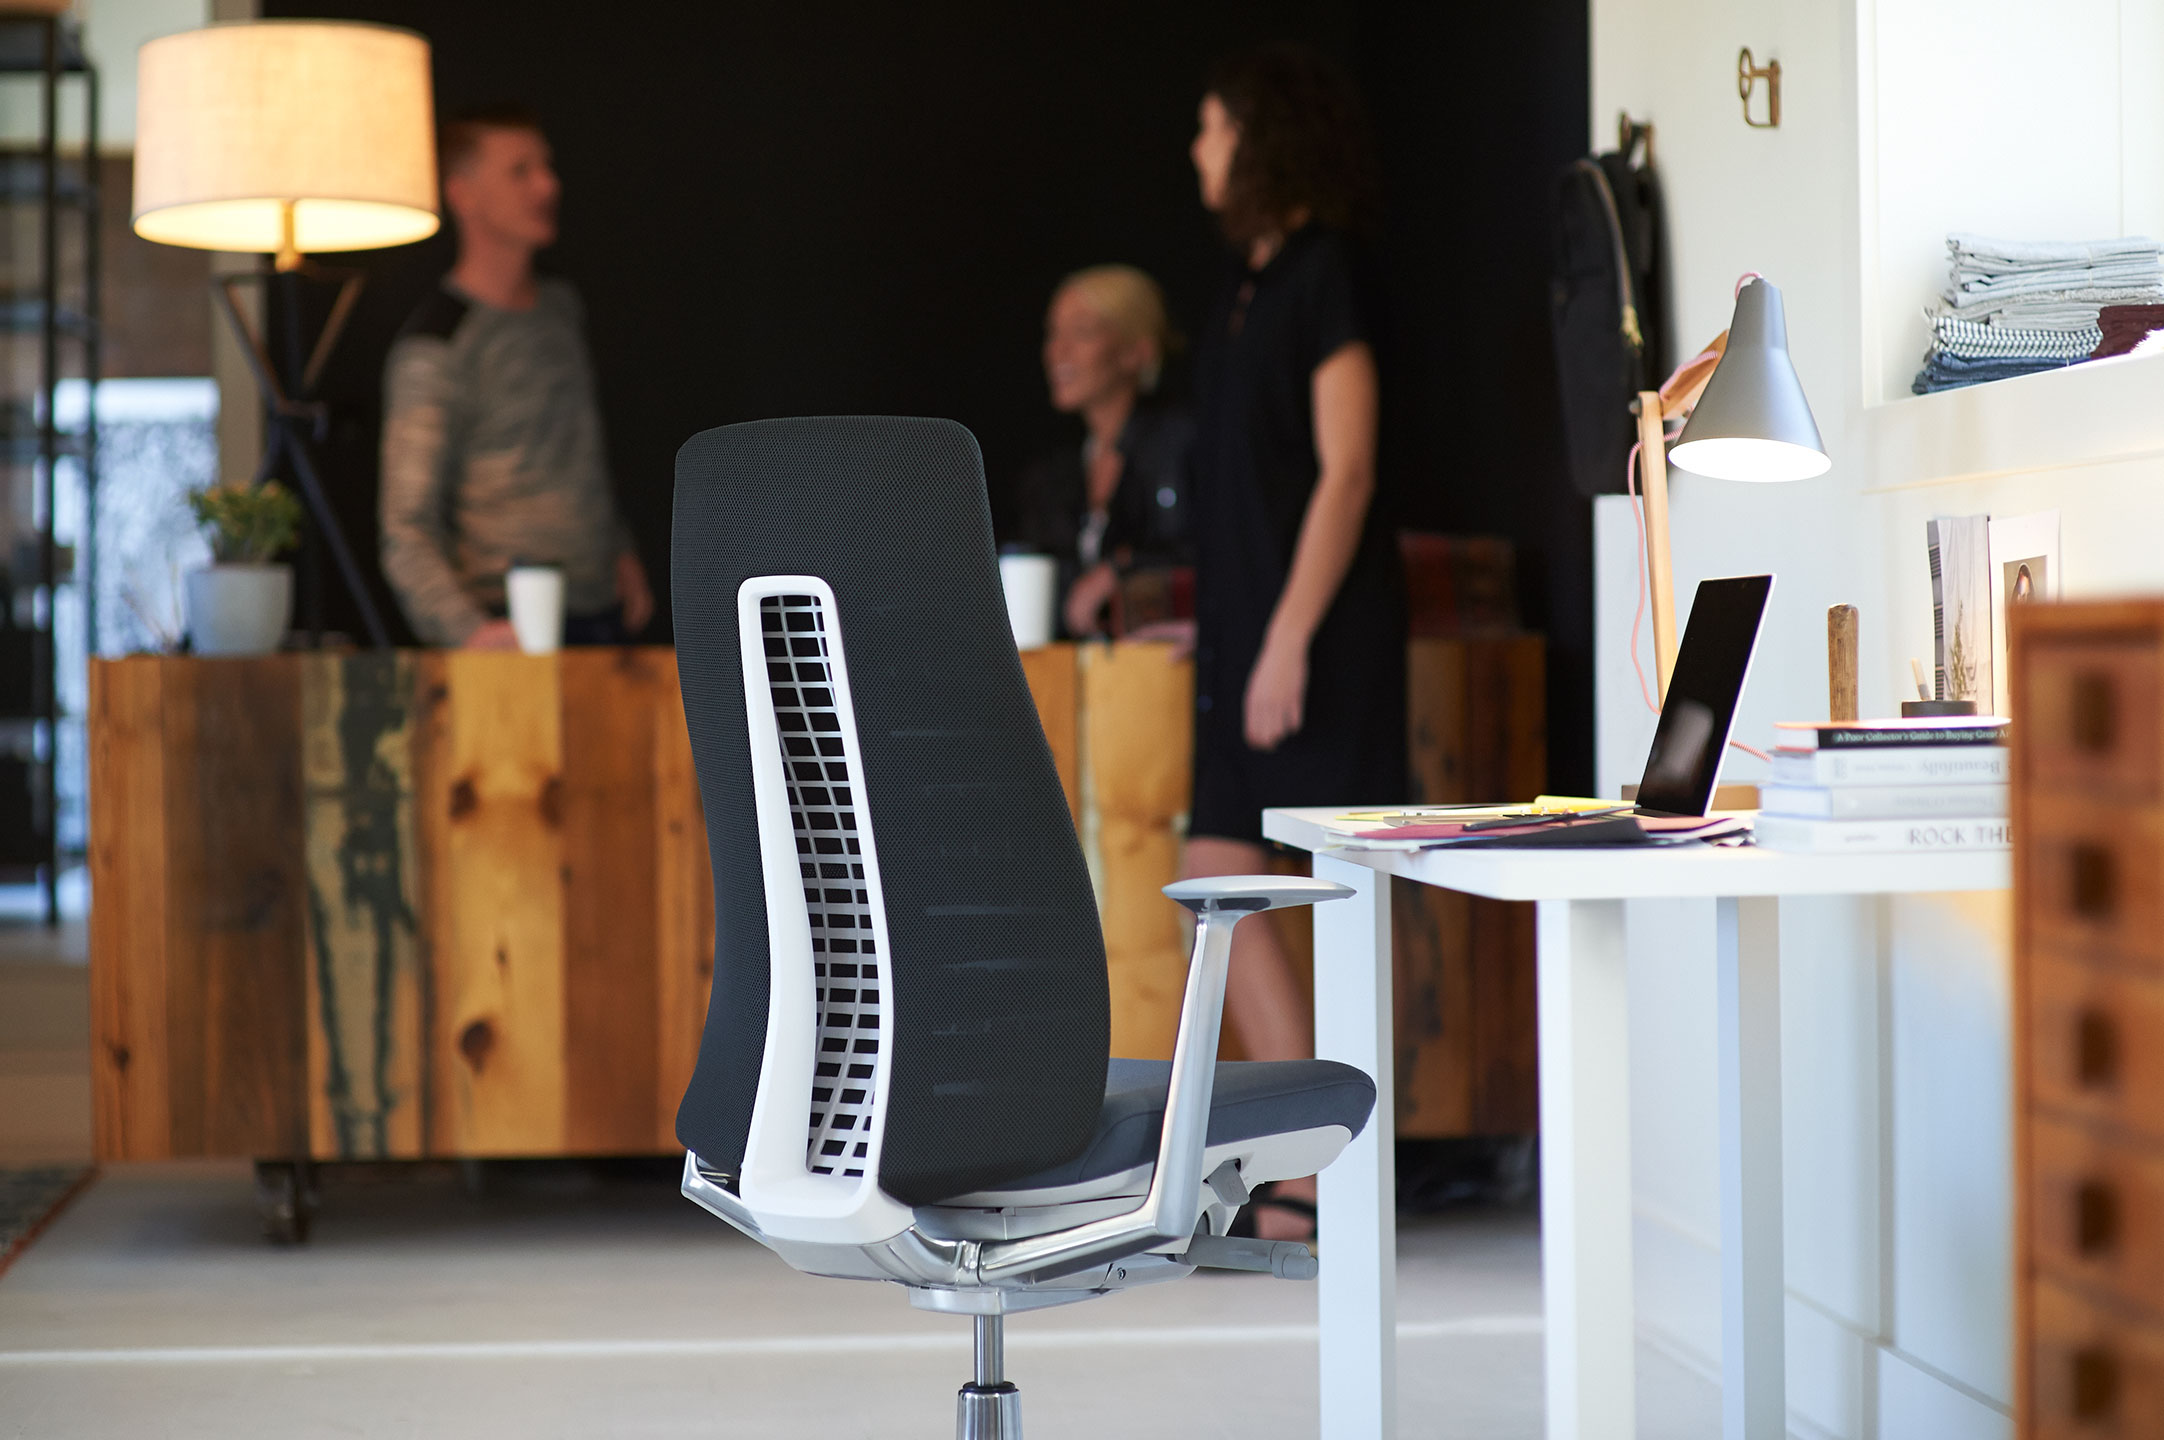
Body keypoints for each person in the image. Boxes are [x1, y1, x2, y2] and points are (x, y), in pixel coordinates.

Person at [1182, 46, 1407, 1240]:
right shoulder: (1246, 286)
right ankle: (1316, 1157)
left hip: (1317, 640)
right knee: (1215, 876)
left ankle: (1326, 1175)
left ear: (1260, 139)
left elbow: (1346, 469)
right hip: (1246, 640)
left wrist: (1285, 640)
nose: (1198, 152)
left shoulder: (1328, 273)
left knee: (1334, 889)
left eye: (1212, 128)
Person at [379, 103, 653, 649]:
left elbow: (578, 452)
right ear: (463, 194)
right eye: (519, 171)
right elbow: (405, 527)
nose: (547, 186)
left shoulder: (560, 309)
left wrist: (619, 551)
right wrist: (470, 632)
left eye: (546, 167)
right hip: (508, 621)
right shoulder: (437, 344)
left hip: (600, 615)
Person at [1007, 265, 1193, 638]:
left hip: (1163, 663)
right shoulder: (1054, 472)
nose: (1058, 351)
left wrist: (1121, 570)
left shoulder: (1183, 444)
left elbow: (1207, 551)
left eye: (1082, 332)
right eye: (1053, 333)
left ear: (1136, 351)